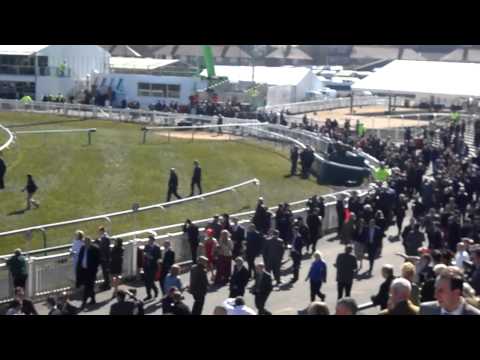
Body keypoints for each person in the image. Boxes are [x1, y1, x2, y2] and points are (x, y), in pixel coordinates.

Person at [76, 237, 101, 309]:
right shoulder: (83, 248)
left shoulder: (95, 249)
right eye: (85, 242)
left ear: (90, 242)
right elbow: (80, 259)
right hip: (83, 270)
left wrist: (95, 268)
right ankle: (93, 299)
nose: (86, 244)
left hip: (91, 271)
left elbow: (98, 260)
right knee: (90, 286)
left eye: (87, 242)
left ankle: (84, 302)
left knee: (88, 286)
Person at [143, 235, 161, 301]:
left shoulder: (157, 247)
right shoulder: (146, 246)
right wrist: (145, 255)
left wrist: (152, 258)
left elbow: (159, 257)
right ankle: (151, 293)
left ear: (153, 240)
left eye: (150, 240)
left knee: (150, 281)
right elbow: (144, 253)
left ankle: (151, 293)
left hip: (153, 267)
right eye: (149, 240)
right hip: (146, 266)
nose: (149, 241)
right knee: (147, 281)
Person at [96, 226, 111, 291]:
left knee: (106, 272)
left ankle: (107, 284)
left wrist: (98, 243)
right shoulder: (104, 236)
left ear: (101, 231)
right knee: (105, 272)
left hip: (105, 257)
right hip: (105, 257)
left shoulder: (105, 237)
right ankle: (106, 283)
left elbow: (103, 248)